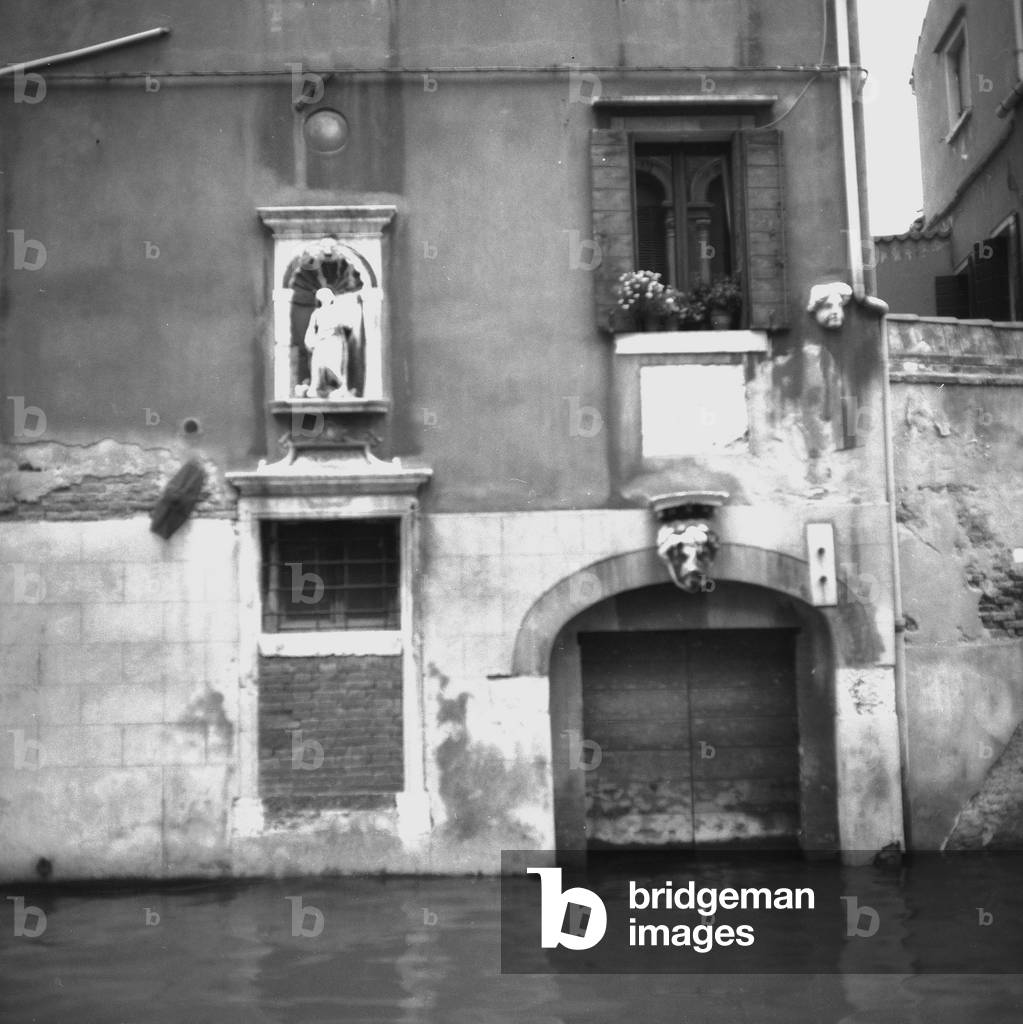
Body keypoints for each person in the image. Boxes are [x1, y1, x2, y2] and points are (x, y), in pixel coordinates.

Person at [303, 287, 362, 398]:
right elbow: (310, 329)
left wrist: (340, 324)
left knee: (333, 366)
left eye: (326, 297)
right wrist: (311, 341)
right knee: (318, 365)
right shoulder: (317, 313)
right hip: (320, 343)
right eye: (322, 298)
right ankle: (318, 387)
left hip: (334, 342)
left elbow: (348, 324)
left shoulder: (337, 310)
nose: (325, 299)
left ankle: (339, 387)